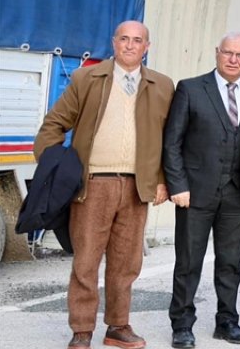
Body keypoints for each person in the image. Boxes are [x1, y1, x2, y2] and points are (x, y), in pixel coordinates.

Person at [33, 20, 174, 349]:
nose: (129, 45)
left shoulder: (163, 86)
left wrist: (163, 180)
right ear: (113, 42)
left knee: (126, 264)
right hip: (93, 184)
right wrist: (56, 168)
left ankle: (118, 327)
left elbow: (171, 140)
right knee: (86, 261)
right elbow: (55, 124)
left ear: (147, 47)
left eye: (137, 40)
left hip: (137, 187)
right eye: (124, 39)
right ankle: (82, 330)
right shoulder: (88, 78)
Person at [163, 31, 240, 347]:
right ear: (217, 53)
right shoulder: (191, 88)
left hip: (238, 194)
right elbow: (172, 142)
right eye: (228, 53)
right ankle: (182, 325)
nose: (233, 59)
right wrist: (177, 185)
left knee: (230, 263)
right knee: (188, 262)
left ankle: (227, 321)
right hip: (194, 193)